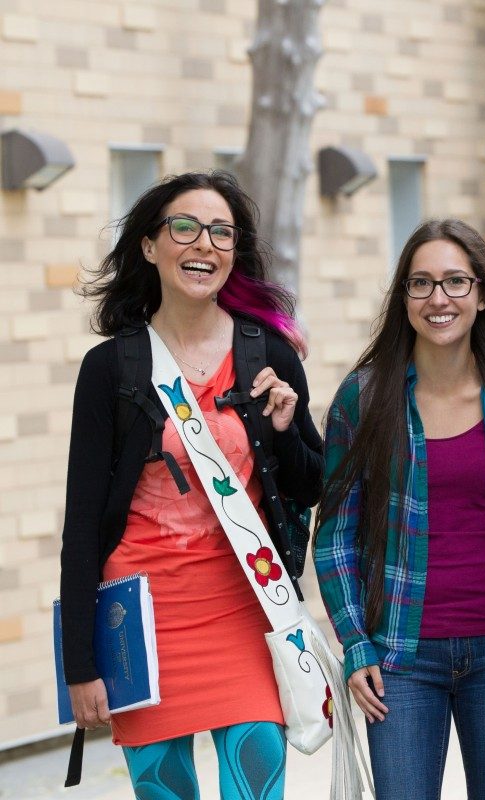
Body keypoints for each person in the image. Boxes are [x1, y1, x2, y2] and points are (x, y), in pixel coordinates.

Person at [59, 170, 323, 798]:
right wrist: (81, 662)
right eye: (184, 227)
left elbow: (312, 486)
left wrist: (285, 431)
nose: (203, 244)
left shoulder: (270, 356)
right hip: (143, 627)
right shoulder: (111, 369)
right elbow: (81, 521)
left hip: (246, 613)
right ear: (149, 245)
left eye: (221, 233)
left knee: (256, 786)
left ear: (235, 253)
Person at [313, 219, 485, 800]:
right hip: (399, 657)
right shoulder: (365, 398)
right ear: (403, 299)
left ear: (480, 295)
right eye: (421, 284)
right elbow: (333, 536)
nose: (438, 299)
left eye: (454, 282)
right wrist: (355, 643)